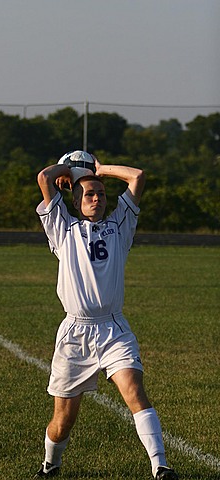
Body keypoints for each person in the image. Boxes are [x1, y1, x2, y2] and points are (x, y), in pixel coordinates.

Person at [34, 154, 178, 480]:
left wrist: (100, 171)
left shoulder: (119, 227)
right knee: (63, 420)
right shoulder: (63, 228)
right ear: (75, 201)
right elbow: (44, 178)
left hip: (114, 329)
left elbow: (138, 175)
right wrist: (70, 171)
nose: (97, 198)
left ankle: (161, 466)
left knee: (135, 392)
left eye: (101, 194)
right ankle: (51, 464)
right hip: (75, 333)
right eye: (89, 194)